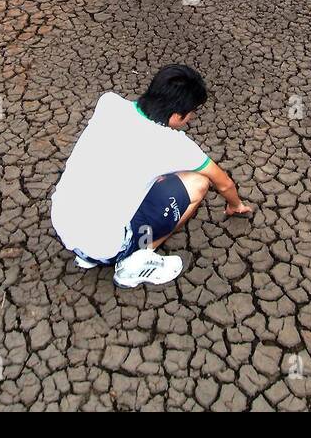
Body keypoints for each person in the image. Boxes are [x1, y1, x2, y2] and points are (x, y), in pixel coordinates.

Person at [50, 64, 251, 288]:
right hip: (104, 247)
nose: (191, 118)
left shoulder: (109, 103)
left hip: (62, 222)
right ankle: (135, 260)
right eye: (192, 113)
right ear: (177, 116)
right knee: (198, 183)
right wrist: (236, 206)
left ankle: (88, 253)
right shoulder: (173, 145)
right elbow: (223, 183)